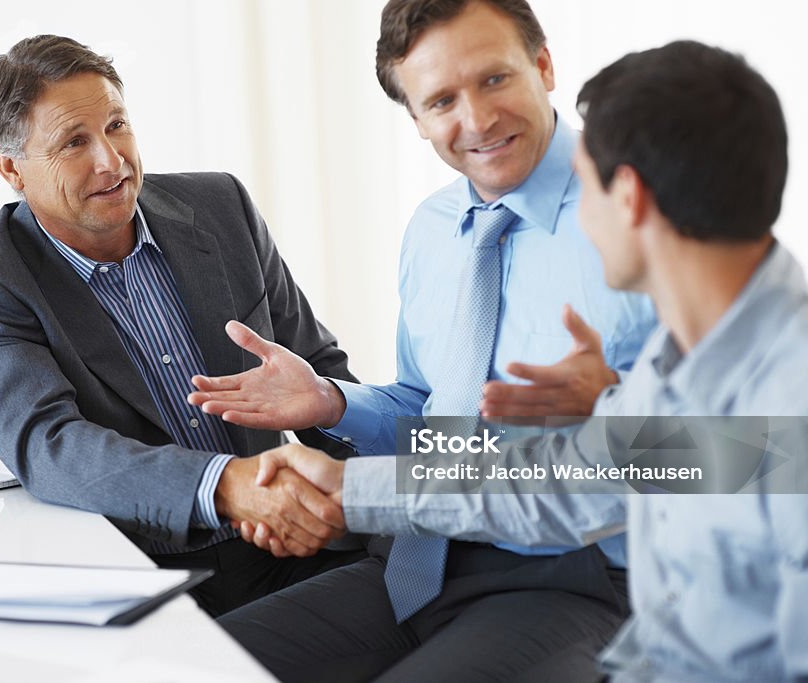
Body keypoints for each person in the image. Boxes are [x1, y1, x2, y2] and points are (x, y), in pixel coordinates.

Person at [228, 40, 808, 682]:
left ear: (630, 199)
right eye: (442, 99)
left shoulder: (783, 407)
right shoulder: (691, 361)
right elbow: (564, 480)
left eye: (579, 185)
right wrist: (352, 479)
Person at [192, 0, 656, 680]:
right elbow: (438, 415)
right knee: (183, 663)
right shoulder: (435, 230)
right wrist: (333, 404)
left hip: (573, 575)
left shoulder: (643, 213)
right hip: (417, 561)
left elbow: (697, 455)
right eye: (441, 99)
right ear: (415, 119)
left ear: (544, 64)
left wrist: (358, 487)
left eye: (494, 79)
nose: (476, 120)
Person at [0, 34, 366, 618]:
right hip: (156, 577)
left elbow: (320, 372)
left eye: (116, 125)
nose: (110, 160)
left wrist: (373, 500)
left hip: (300, 543)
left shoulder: (221, 207)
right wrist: (227, 487)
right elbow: (49, 446)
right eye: (73, 142)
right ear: (11, 167)